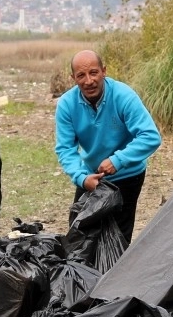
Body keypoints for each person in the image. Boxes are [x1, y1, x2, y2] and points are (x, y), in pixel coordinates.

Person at [53, 49, 162, 242]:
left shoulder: (123, 96)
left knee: (118, 238)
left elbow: (150, 136)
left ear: (104, 71)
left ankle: (118, 262)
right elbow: (65, 149)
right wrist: (81, 177)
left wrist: (117, 160)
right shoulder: (67, 104)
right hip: (91, 176)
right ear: (73, 78)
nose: (89, 81)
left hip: (128, 174)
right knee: (79, 235)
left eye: (94, 72)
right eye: (81, 75)